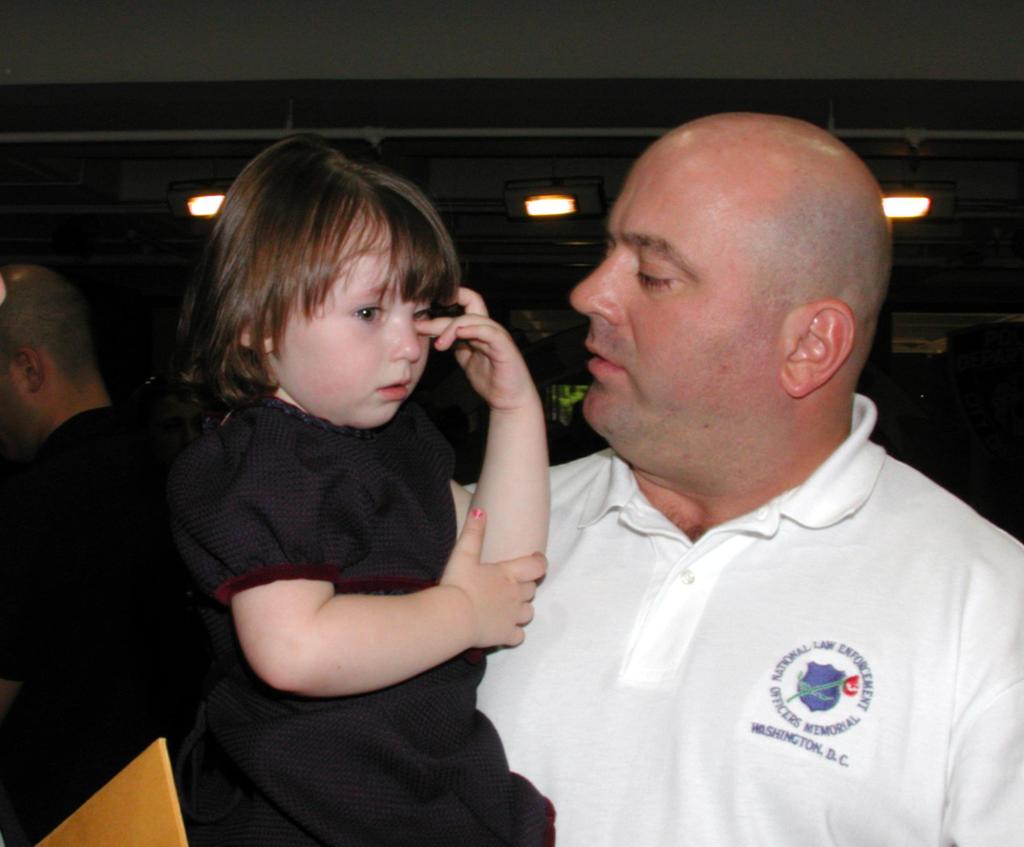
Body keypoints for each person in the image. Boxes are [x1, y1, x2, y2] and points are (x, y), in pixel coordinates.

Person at [477, 113, 1024, 846]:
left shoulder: (989, 613)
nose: (588, 295)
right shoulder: (475, 529)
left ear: (809, 344)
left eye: (653, 274)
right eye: (609, 252)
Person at [167, 134, 553, 846]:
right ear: (255, 322)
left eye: (419, 311)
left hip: (417, 787)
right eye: (371, 313)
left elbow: (504, 561)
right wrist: (461, 612)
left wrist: (514, 409)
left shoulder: (399, 443)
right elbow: (294, 647)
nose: (407, 344)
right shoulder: (260, 460)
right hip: (303, 810)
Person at [0, 264, 188, 840]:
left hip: (67, 821)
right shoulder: (183, 482)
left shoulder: (29, 507)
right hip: (183, 806)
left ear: (28, 368)